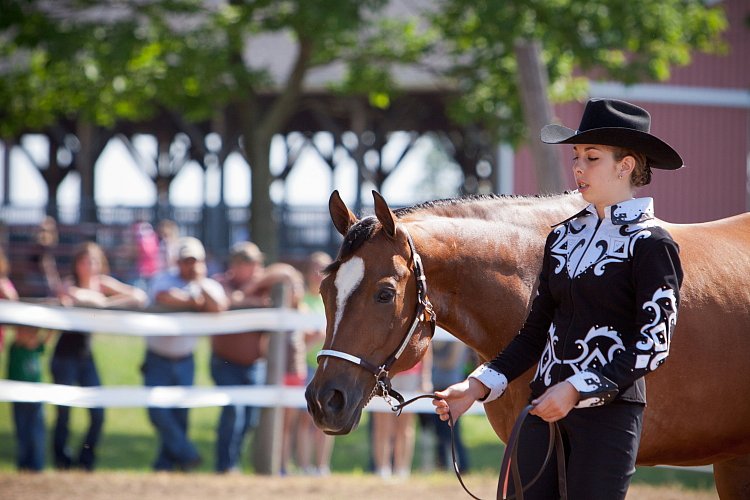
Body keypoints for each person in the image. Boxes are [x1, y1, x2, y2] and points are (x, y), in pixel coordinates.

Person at [433, 98, 684, 499]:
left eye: (592, 157)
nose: (578, 167)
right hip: (543, 409)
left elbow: (653, 345)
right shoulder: (563, 237)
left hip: (609, 417)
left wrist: (575, 389)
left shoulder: (653, 245)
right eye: (576, 156)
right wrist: (477, 386)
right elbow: (534, 332)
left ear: (626, 166)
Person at [51, 242, 148, 470]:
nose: (90, 265)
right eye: (85, 261)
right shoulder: (70, 284)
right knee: (63, 411)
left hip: (85, 356)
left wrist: (106, 303)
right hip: (64, 355)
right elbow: (76, 296)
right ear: (77, 264)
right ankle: (61, 461)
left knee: (98, 412)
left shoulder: (101, 284)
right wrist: (103, 303)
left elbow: (139, 296)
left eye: (94, 261)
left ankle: (86, 461)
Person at [144, 236, 228, 472]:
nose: (190, 265)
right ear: (177, 261)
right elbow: (163, 295)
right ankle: (186, 454)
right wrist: (194, 301)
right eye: (186, 260)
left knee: (180, 414)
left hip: (185, 359)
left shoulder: (207, 284)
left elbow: (218, 306)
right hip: (157, 358)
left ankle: (166, 465)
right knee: (157, 410)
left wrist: (199, 285)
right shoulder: (164, 278)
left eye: (195, 261)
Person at [297, 251, 335, 476]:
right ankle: (303, 465)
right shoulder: (302, 300)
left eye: (322, 269)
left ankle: (321, 466)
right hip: (307, 366)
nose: (317, 274)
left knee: (327, 419)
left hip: (328, 368)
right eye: (314, 268)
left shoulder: (331, 298)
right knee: (305, 419)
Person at [372, 355, 432, 480]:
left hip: (410, 374)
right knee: (382, 426)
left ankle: (402, 470)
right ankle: (382, 470)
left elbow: (426, 347)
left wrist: (426, 378)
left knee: (405, 427)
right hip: (384, 374)